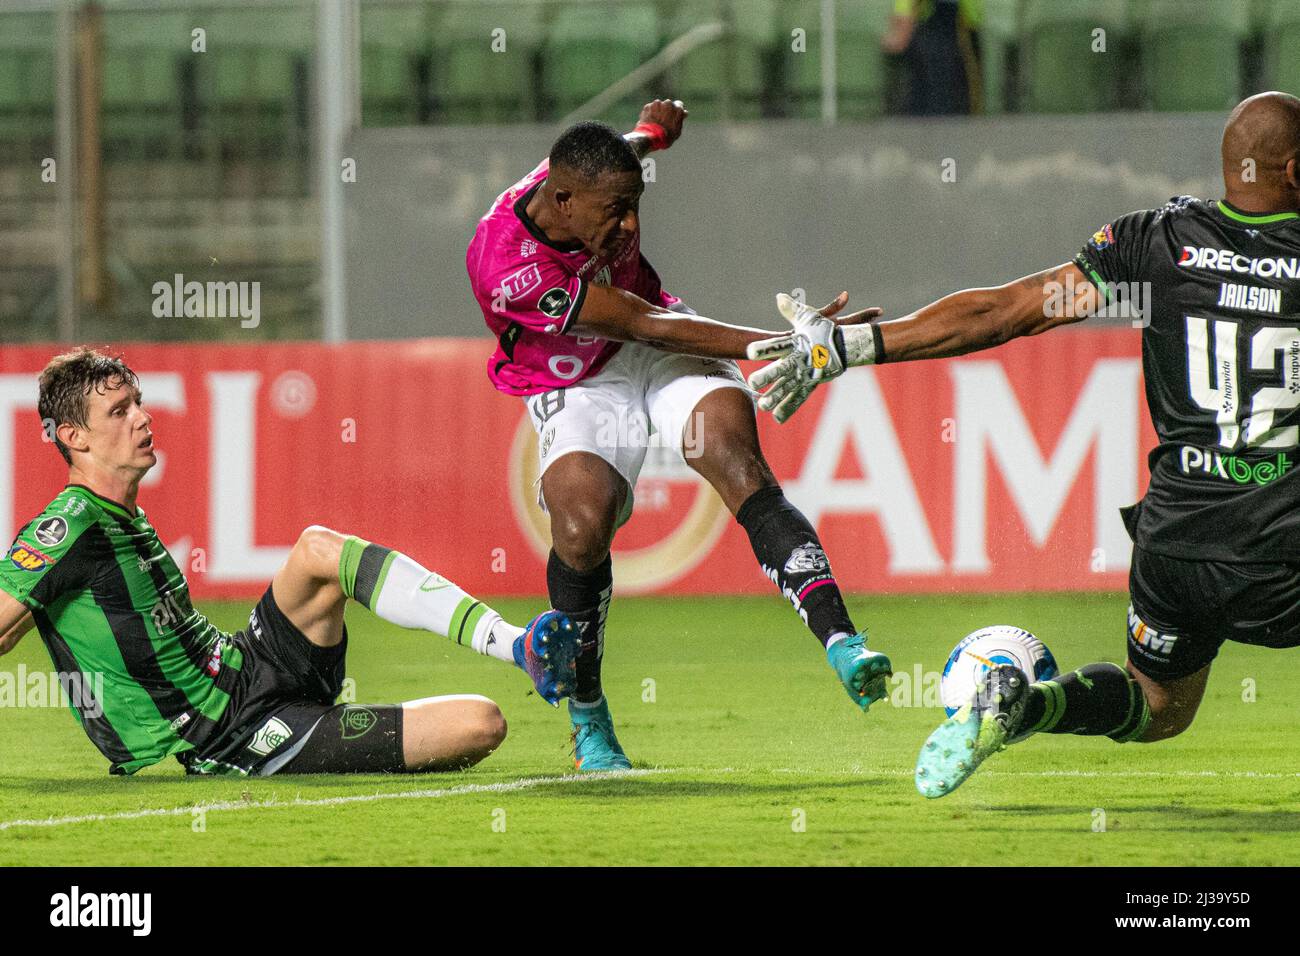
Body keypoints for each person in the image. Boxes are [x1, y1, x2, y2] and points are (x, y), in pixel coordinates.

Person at [748, 91, 1300, 797]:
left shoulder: (1154, 244)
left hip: (1177, 547)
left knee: (1158, 706)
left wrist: (854, 345)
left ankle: (1028, 704)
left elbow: (1006, 312)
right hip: (1282, 543)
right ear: (1293, 169)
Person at [465, 99, 892, 771]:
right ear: (564, 201)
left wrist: (655, 131)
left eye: (636, 204)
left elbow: (630, 146)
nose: (631, 223)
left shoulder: (589, 176)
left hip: (658, 338)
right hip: (580, 376)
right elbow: (638, 322)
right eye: (616, 211)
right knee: (579, 527)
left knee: (734, 457)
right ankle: (589, 719)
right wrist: (782, 344)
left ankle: (843, 641)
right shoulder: (507, 266)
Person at [0, 347, 579, 776]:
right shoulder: (68, 526)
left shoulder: (119, 514)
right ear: (74, 437)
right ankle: (290, 738)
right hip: (230, 731)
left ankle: (515, 644)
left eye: (139, 403)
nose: (143, 419)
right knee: (481, 723)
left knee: (316, 548)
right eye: (120, 412)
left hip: (248, 662)